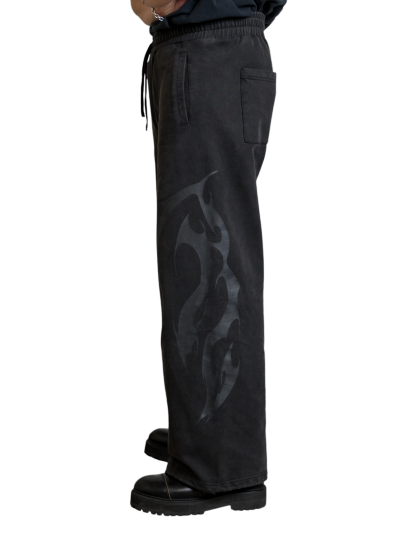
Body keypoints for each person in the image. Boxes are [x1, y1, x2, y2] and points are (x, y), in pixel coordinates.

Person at [129, 0, 288, 516]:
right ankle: (206, 429)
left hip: (210, 56)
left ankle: (221, 469)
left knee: (212, 265)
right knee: (201, 259)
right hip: (212, 52)